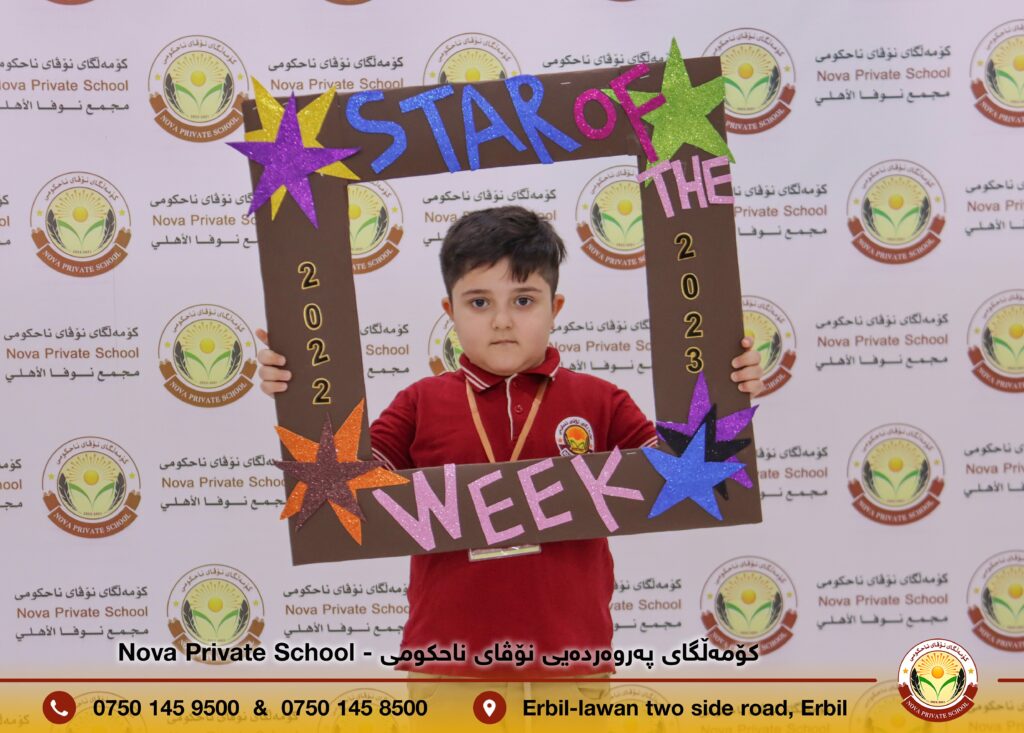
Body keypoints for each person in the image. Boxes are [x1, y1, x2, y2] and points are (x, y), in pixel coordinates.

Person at [256, 206, 763, 726]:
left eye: (523, 300)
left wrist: (728, 391)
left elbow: (692, 472)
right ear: (450, 310)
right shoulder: (419, 404)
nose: (502, 320)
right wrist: (301, 392)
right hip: (447, 668)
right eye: (479, 302)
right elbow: (344, 482)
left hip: (571, 665)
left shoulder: (601, 401)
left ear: (555, 307)